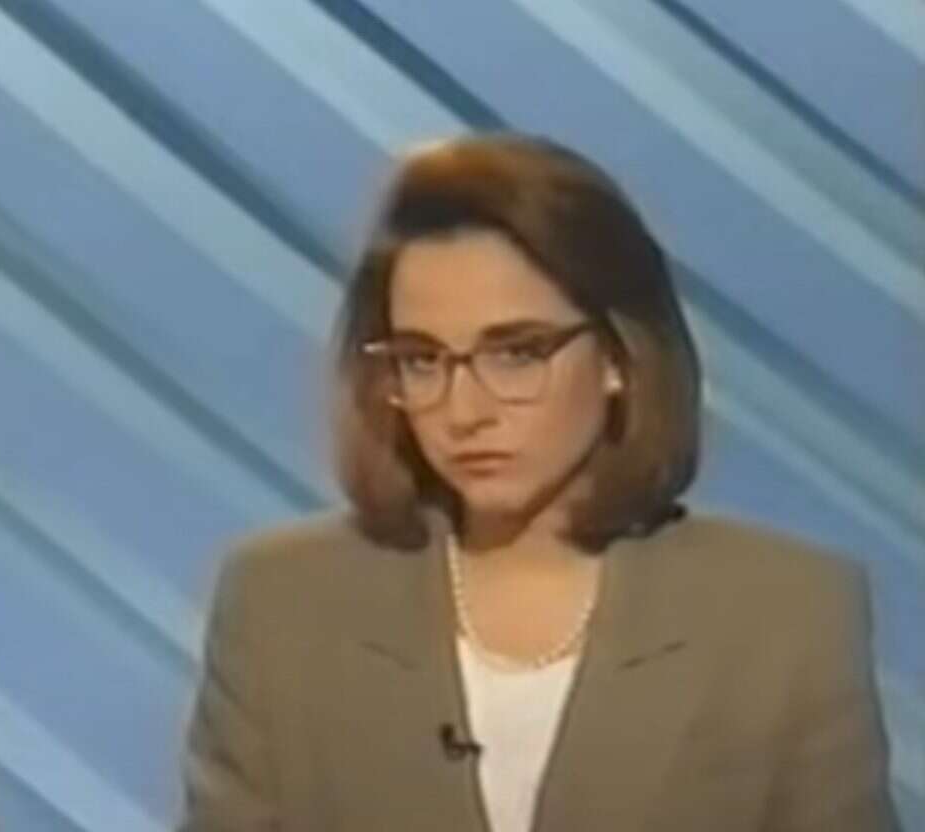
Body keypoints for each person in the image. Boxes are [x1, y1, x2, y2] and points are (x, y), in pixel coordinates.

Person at [180, 134, 896, 831]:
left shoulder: (788, 617)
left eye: (517, 353)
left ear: (619, 356)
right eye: (423, 360)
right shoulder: (280, 603)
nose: (465, 412)